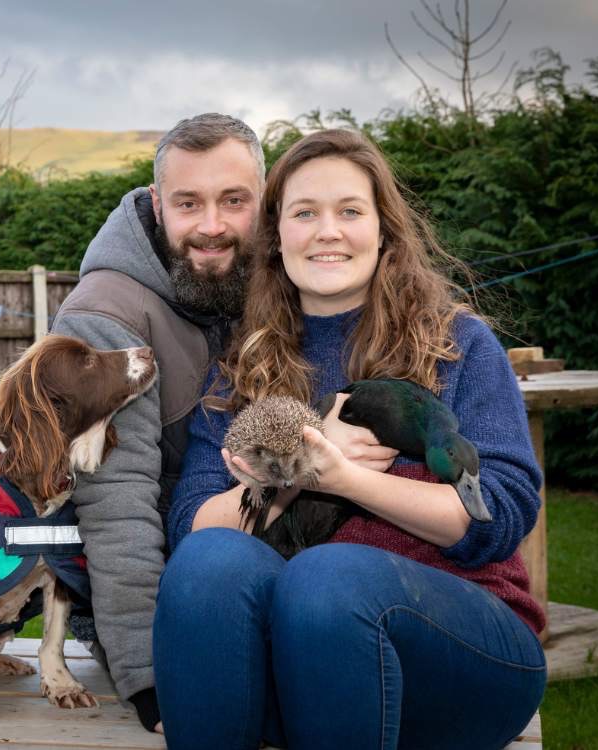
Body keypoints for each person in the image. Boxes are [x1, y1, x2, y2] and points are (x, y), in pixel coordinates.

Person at [154, 129, 546, 749]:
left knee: (325, 577)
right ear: (275, 235)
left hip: (459, 665)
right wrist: (290, 468)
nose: (327, 231)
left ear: (384, 228)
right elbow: (191, 524)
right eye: (305, 213)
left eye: (350, 211)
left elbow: (497, 517)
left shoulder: (458, 347)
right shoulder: (240, 365)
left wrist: (340, 476)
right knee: (206, 565)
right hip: (296, 676)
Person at [50, 113, 265, 732]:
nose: (212, 226)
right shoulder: (104, 317)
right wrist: (149, 673)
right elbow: (115, 502)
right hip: (164, 593)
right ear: (155, 203)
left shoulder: (279, 280)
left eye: (234, 201)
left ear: (265, 200)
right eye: (188, 203)